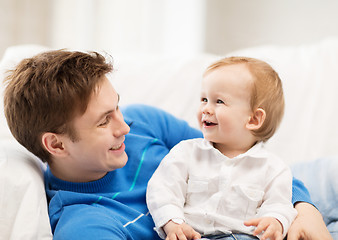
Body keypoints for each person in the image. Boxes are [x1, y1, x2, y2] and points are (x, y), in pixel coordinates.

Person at [2, 50, 332, 240]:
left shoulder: (143, 120)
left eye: (117, 106)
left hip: (271, 188)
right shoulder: (86, 225)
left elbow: (239, 156)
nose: (124, 126)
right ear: (56, 145)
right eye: (104, 121)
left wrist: (304, 208)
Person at [146, 57, 297, 240]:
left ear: (254, 119)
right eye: (204, 99)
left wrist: (275, 220)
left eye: (219, 101)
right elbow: (162, 190)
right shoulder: (186, 153)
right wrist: (173, 224)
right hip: (192, 235)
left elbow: (280, 204)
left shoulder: (273, 168)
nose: (206, 109)